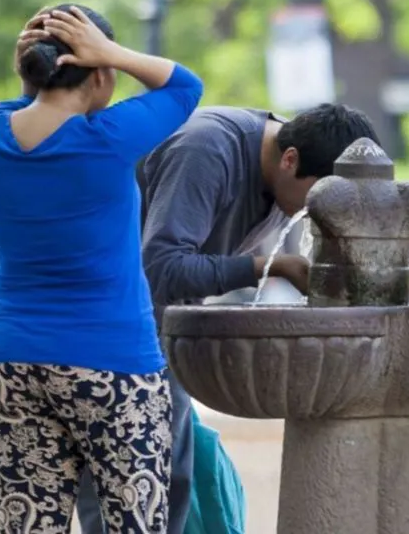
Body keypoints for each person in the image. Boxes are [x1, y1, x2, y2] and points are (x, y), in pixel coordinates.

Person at [76, 103, 381, 534]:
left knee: (170, 481)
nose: (318, 214)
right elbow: (159, 269)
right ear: (290, 159)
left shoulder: (286, 174)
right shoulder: (205, 151)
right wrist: (270, 267)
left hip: (157, 327)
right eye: (319, 199)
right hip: (102, 328)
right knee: (125, 490)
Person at [0, 4, 203, 533]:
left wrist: (34, 73)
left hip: (12, 360)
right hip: (112, 365)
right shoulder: (108, 137)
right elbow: (185, 87)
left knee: (28, 525)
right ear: (99, 71)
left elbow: (27, 110)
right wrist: (116, 53)